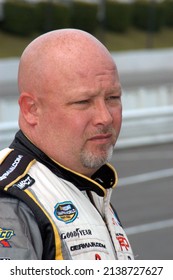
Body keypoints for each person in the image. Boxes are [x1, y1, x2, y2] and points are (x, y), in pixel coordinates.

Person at [0, 29, 134, 260]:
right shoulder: (11, 201)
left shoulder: (89, 183)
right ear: (32, 110)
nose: (105, 117)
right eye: (83, 102)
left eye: (113, 98)